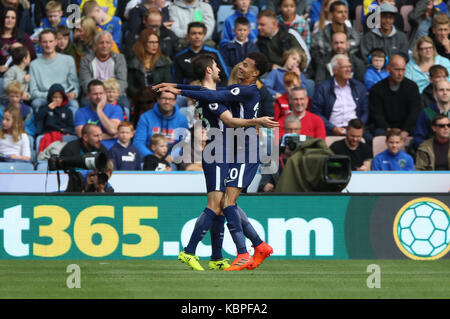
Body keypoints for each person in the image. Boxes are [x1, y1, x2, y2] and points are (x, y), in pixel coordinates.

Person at [154, 52, 279, 271]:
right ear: (209, 70)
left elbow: (212, 95)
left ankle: (235, 252)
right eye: (216, 66)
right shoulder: (215, 97)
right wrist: (177, 87)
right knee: (221, 205)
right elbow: (217, 104)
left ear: (256, 72)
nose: (234, 67)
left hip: (237, 150)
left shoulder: (238, 91)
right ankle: (247, 248)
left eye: (246, 65)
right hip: (224, 151)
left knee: (225, 204)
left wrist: (178, 88)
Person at [310, 54, 369, 137]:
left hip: (356, 131)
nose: (349, 70)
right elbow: (316, 112)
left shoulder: (359, 87)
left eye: (349, 67)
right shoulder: (323, 88)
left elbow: (365, 111)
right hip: (331, 130)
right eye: (345, 67)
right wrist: (332, 128)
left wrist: (358, 127)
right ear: (335, 70)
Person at [369, 54, 422, 141]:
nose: (400, 73)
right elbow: (376, 114)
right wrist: (388, 130)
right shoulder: (377, 89)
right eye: (397, 70)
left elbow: (415, 111)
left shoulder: (412, 87)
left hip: (407, 128)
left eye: (403, 70)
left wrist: (406, 130)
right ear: (388, 69)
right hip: (384, 129)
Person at [29, 29, 79, 116]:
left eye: (51, 41)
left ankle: (69, 129)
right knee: (36, 103)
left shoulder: (68, 60)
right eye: (45, 42)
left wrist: (74, 93)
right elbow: (33, 92)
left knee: (74, 104)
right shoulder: (34, 64)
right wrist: (52, 96)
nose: (48, 45)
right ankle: (41, 129)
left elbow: (75, 85)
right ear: (40, 43)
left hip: (64, 97)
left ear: (56, 42)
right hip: (45, 98)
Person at [133, 90, 189, 159]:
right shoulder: (145, 117)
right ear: (158, 99)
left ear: (175, 101)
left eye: (170, 99)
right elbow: (138, 142)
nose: (167, 102)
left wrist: (173, 156)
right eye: (164, 98)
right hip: (149, 157)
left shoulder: (182, 119)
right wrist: (152, 157)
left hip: (171, 159)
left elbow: (184, 143)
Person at [79, 31, 128, 108]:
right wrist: (100, 95)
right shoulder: (86, 60)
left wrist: (111, 94)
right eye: (101, 43)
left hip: (114, 94)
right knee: (85, 103)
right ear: (95, 45)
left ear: (111, 45)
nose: (105, 46)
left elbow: (122, 81)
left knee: (125, 105)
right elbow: (86, 82)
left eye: (108, 43)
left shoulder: (119, 59)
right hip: (95, 94)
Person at [173, 22, 229, 86]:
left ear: (204, 36)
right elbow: (176, 82)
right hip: (188, 93)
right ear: (187, 36)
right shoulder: (179, 57)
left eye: (200, 33)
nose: (197, 36)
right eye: (193, 33)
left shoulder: (214, 53)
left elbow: (224, 78)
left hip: (211, 92)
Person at [74, 80, 124, 150]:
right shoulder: (81, 112)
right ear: (88, 95)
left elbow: (113, 130)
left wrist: (99, 110)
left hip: (113, 151)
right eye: (95, 94)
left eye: (101, 93)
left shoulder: (116, 109)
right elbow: (82, 136)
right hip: (91, 152)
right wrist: (110, 136)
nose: (99, 97)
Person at [258, 115, 301, 193]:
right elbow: (264, 181)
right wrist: (264, 185)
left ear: (300, 130)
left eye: (295, 129)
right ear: (284, 130)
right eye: (289, 130)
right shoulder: (275, 156)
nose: (292, 133)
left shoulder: (305, 153)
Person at [310, 1, 360, 67]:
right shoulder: (319, 36)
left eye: (345, 12)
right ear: (331, 14)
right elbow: (316, 59)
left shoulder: (354, 35)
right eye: (340, 12)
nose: (344, 15)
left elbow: (357, 58)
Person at [127, 29, 172, 101]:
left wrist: (154, 96)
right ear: (143, 43)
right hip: (138, 99)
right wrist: (141, 95)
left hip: (158, 99)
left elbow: (167, 84)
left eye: (156, 42)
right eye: (151, 42)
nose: (154, 45)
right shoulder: (133, 62)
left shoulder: (164, 62)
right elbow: (130, 86)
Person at [35, 83, 75, 154]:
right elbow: (37, 118)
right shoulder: (45, 108)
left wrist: (64, 130)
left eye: (60, 97)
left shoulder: (67, 111)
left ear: (63, 98)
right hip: (48, 134)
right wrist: (48, 108)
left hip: (63, 135)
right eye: (55, 97)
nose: (57, 100)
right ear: (50, 97)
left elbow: (71, 127)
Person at [413, 80, 450, 149]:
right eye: (441, 90)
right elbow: (418, 138)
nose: (445, 93)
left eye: (448, 90)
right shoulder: (426, 113)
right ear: (435, 93)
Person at [0, 7, 35, 76]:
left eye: (13, 18)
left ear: (16, 21)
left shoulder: (23, 36)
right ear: (2, 18)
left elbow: (33, 59)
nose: (10, 20)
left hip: (20, 75)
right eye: (7, 17)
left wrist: (22, 48)